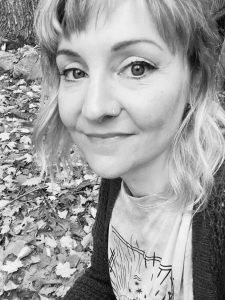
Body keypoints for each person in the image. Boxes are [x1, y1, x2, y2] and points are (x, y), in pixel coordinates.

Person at [33, 0, 225, 299]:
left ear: (196, 79)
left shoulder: (217, 214)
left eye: (136, 67)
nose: (95, 108)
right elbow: (104, 279)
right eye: (74, 71)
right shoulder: (121, 171)